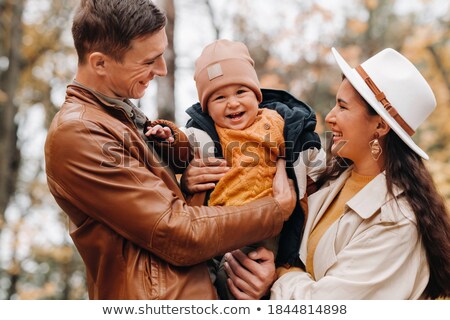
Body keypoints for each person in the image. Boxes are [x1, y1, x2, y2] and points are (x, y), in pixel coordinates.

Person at [44, 0, 296, 300]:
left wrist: (188, 181)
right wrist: (275, 210)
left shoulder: (120, 118)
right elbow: (175, 232)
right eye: (149, 61)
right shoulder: (79, 132)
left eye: (161, 56)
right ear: (100, 63)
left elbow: (154, 211)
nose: (162, 70)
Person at [219, 47, 450, 299]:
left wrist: (277, 277)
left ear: (380, 126)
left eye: (342, 107)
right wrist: (192, 173)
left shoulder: (395, 223)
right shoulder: (330, 176)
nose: (330, 117)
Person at [180, 39, 324, 299]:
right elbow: (172, 162)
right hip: (222, 225)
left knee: (254, 266)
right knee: (216, 276)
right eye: (219, 97)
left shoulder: (276, 123)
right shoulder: (202, 135)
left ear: (257, 96)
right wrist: (185, 179)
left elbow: (314, 165)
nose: (232, 103)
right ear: (207, 109)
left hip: (269, 223)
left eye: (240, 93)